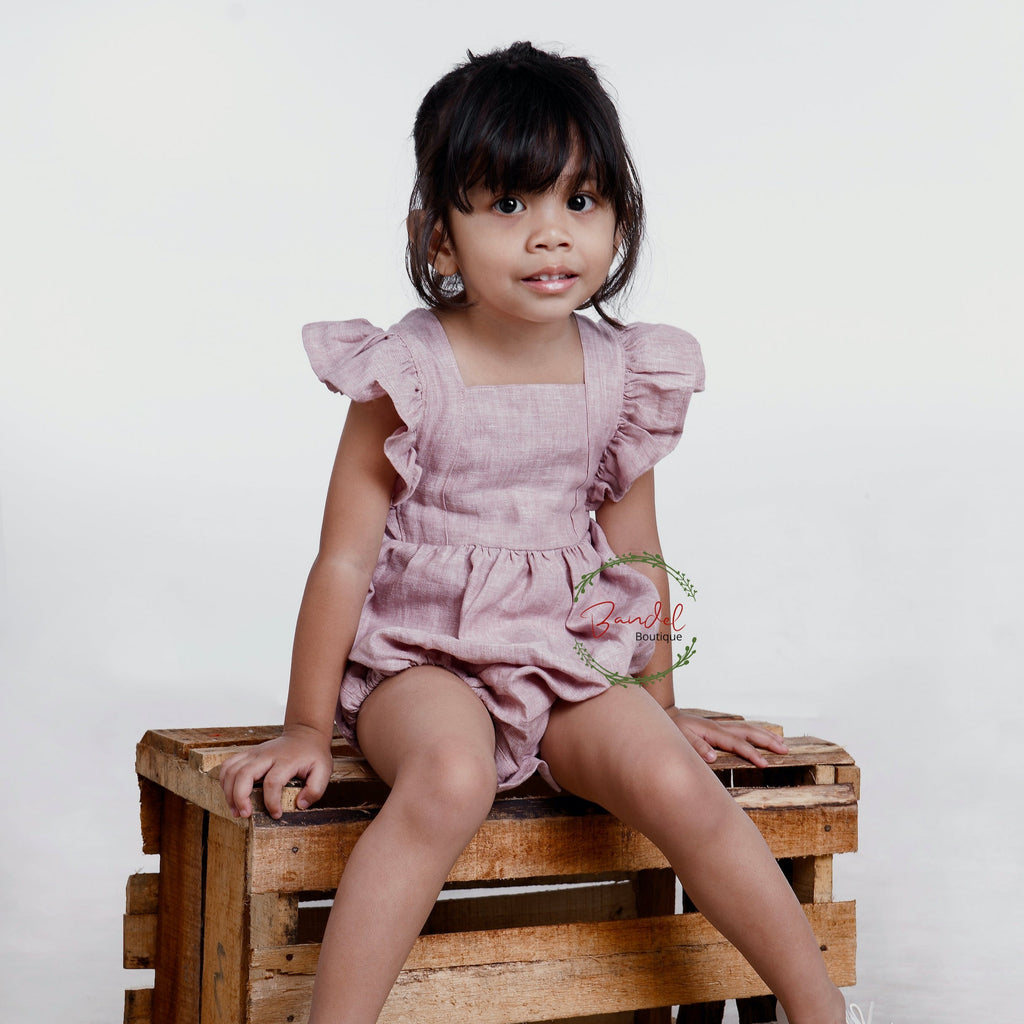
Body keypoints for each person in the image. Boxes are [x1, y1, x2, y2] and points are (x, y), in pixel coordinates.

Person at [220, 41, 851, 1024]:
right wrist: (306, 723)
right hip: (419, 660)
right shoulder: (408, 372)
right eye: (509, 206)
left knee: (677, 785)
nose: (549, 235)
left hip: (564, 657)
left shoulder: (624, 376)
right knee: (449, 775)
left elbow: (634, 561)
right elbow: (343, 555)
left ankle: (824, 1012)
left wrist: (657, 703)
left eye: (580, 201)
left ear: (618, 219)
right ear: (439, 237)